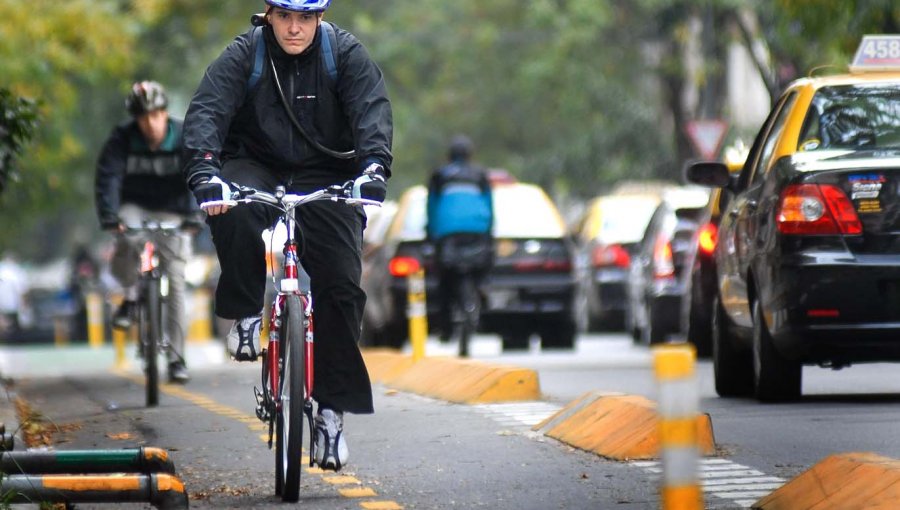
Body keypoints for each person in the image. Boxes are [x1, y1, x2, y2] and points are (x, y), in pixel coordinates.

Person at [181, 0, 392, 472]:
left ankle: (331, 416)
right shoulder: (245, 54)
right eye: (284, 17)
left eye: (305, 18)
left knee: (340, 286)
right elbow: (206, 113)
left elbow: (372, 113)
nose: (294, 28)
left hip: (327, 172)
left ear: (320, 18)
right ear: (268, 16)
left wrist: (373, 169)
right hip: (255, 166)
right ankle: (244, 313)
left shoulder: (346, 55)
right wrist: (205, 172)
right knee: (234, 213)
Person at [95, 80, 200, 384]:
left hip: (175, 211)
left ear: (165, 113)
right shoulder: (122, 140)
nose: (150, 124)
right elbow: (109, 177)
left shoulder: (183, 137)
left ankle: (177, 358)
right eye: (143, 118)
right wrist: (109, 215)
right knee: (127, 238)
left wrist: (195, 215)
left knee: (177, 281)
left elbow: (197, 174)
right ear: (135, 120)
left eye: (155, 115)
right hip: (135, 207)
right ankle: (130, 293)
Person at [425, 135, 495, 347]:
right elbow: (489, 206)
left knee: (445, 278)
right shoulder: (481, 175)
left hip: (448, 233)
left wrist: (431, 234)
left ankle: (446, 329)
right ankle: (483, 288)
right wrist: (488, 230)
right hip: (477, 230)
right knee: (483, 264)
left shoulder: (439, 176)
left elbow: (431, 207)